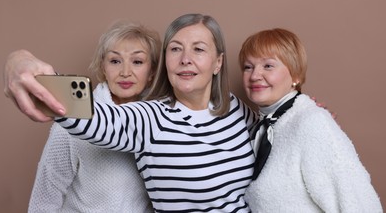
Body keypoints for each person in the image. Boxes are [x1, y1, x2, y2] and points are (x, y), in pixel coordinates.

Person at [32, 13, 258, 212]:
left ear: (218, 63)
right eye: (176, 49)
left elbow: (273, 142)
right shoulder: (151, 118)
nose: (185, 59)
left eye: (198, 49)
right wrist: (29, 71)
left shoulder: (235, 108)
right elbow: (97, 120)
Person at [239, 28, 383, 212]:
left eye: (268, 66)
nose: (254, 76)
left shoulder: (312, 122)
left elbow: (357, 202)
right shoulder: (259, 129)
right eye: (248, 67)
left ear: (296, 75)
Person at [28, 22, 161, 212]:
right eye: (115, 61)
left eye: (137, 62)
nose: (125, 72)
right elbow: (44, 200)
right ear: (103, 66)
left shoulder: (158, 121)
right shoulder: (74, 121)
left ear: (152, 72)